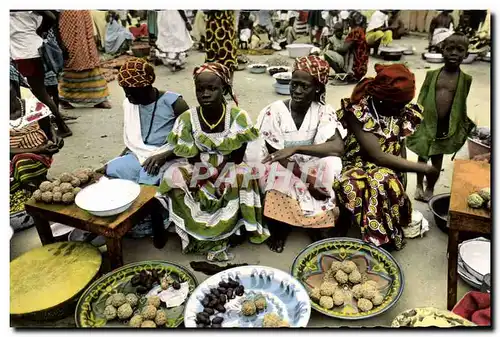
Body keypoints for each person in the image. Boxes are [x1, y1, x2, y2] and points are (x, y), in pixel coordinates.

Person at [156, 63, 269, 261]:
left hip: (229, 164)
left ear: (224, 89)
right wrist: (204, 176)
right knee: (172, 177)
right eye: (200, 89)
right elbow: (191, 156)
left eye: (212, 89)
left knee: (243, 176)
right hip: (199, 165)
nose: (205, 94)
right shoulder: (187, 119)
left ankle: (234, 228)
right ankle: (200, 231)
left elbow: (238, 155)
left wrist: (219, 174)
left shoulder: (237, 117)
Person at [334, 63, 439, 250]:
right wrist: (423, 168)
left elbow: (400, 144)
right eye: (398, 104)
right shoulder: (358, 112)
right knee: (374, 181)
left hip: (389, 165)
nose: (402, 108)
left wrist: (403, 176)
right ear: (381, 99)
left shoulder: (400, 110)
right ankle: (377, 238)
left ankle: (384, 231)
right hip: (356, 164)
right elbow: (378, 156)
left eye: (404, 103)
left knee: (386, 179)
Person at [248, 55, 346, 253]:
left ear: (317, 88)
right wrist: (308, 180)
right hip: (282, 165)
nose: (297, 91)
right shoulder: (273, 112)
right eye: (295, 84)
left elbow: (337, 147)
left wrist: (298, 148)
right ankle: (280, 228)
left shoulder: (323, 111)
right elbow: (277, 154)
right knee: (277, 175)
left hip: (309, 162)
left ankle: (314, 224)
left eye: (304, 86)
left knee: (331, 164)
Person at [407, 34, 475, 202]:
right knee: (422, 156)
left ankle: (430, 186)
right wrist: (416, 117)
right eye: (449, 49)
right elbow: (422, 96)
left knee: (437, 158)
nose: (454, 53)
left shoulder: (466, 79)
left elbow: (460, 103)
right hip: (426, 122)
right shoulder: (432, 75)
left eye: (460, 50)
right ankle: (418, 185)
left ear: (466, 54)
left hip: (445, 125)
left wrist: (462, 123)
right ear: (441, 51)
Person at [103, 58, 189, 185]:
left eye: (132, 92)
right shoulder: (130, 104)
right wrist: (118, 159)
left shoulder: (175, 103)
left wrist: (164, 156)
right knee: (110, 170)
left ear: (146, 86)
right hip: (139, 155)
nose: (128, 96)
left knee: (148, 181)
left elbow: (190, 141)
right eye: (125, 92)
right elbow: (135, 141)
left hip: (170, 156)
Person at [10, 81, 64, 229]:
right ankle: (36, 187)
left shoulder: (32, 105)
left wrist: (55, 139)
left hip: (40, 153)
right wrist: (38, 150)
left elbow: (49, 128)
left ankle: (38, 189)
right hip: (15, 156)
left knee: (22, 163)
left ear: (15, 88)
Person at [10, 10, 72, 138]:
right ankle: (48, 126)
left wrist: (40, 30)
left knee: (39, 93)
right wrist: (40, 30)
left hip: (25, 54)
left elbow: (50, 15)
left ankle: (61, 126)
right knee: (38, 92)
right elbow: (50, 15)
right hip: (33, 50)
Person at [58, 10, 112, 110]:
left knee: (91, 63)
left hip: (85, 33)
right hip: (66, 31)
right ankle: (64, 99)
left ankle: (99, 99)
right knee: (70, 64)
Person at [327, 11, 369, 84]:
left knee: (327, 54)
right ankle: (344, 75)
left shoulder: (355, 31)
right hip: (361, 67)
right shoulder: (361, 30)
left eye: (349, 20)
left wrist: (334, 48)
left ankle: (344, 77)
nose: (348, 22)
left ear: (353, 21)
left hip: (356, 67)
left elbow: (344, 49)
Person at [205, 11, 238, 84]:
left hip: (226, 27)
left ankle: (228, 86)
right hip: (213, 27)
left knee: (228, 58)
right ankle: (216, 85)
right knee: (213, 58)